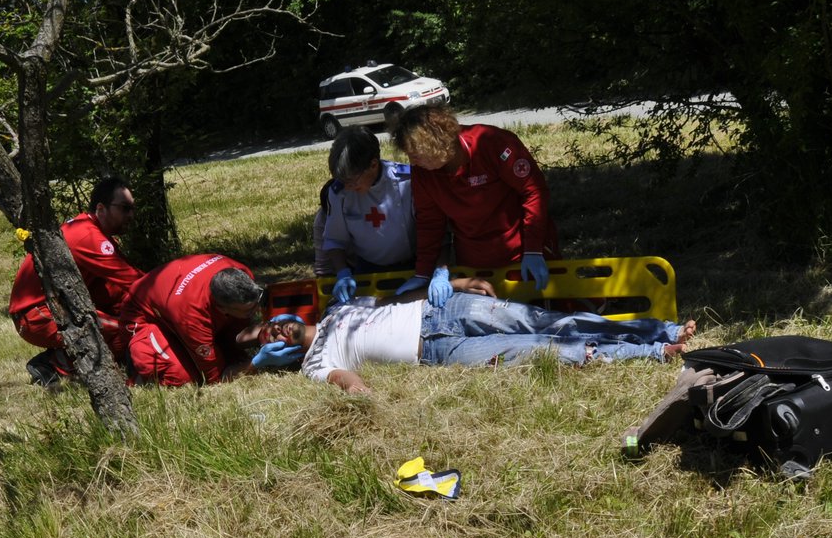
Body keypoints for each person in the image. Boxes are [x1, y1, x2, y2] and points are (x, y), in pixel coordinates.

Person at [254, 281, 695, 394]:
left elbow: (393, 297)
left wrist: (454, 280)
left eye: (271, 323)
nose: (275, 329)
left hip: (440, 309)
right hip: (440, 351)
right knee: (549, 351)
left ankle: (661, 327)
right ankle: (654, 351)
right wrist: (366, 394)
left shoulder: (338, 308)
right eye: (269, 338)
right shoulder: (312, 365)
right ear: (278, 353)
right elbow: (345, 381)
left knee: (545, 320)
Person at [392, 104, 559, 308]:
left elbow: (533, 191)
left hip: (523, 250)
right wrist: (424, 273)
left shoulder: (494, 144)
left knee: (543, 316)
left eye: (416, 155)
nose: (412, 162)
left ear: (435, 144)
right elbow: (429, 222)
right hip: (473, 259)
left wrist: (533, 249)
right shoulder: (423, 172)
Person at [9, 176, 146, 386]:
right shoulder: (88, 237)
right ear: (101, 209)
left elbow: (122, 284)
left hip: (50, 309)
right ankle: (53, 364)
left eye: (132, 208)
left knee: (122, 306)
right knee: (126, 330)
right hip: (37, 316)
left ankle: (67, 356)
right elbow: (133, 280)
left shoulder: (90, 228)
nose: (131, 215)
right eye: (125, 208)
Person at [121, 253, 302, 386]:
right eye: (248, 310)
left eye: (258, 302)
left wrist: (266, 329)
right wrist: (256, 363)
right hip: (144, 316)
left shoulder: (241, 272)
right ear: (222, 308)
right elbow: (215, 378)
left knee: (233, 352)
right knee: (185, 377)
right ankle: (139, 373)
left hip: (174, 305)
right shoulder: (192, 315)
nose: (256, 311)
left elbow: (238, 332)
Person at [314, 128, 416, 304]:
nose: (347, 187)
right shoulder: (338, 193)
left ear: (373, 165)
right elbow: (334, 239)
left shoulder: (407, 181)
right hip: (368, 271)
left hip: (413, 265)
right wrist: (343, 273)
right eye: (343, 181)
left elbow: (432, 227)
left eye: (352, 181)